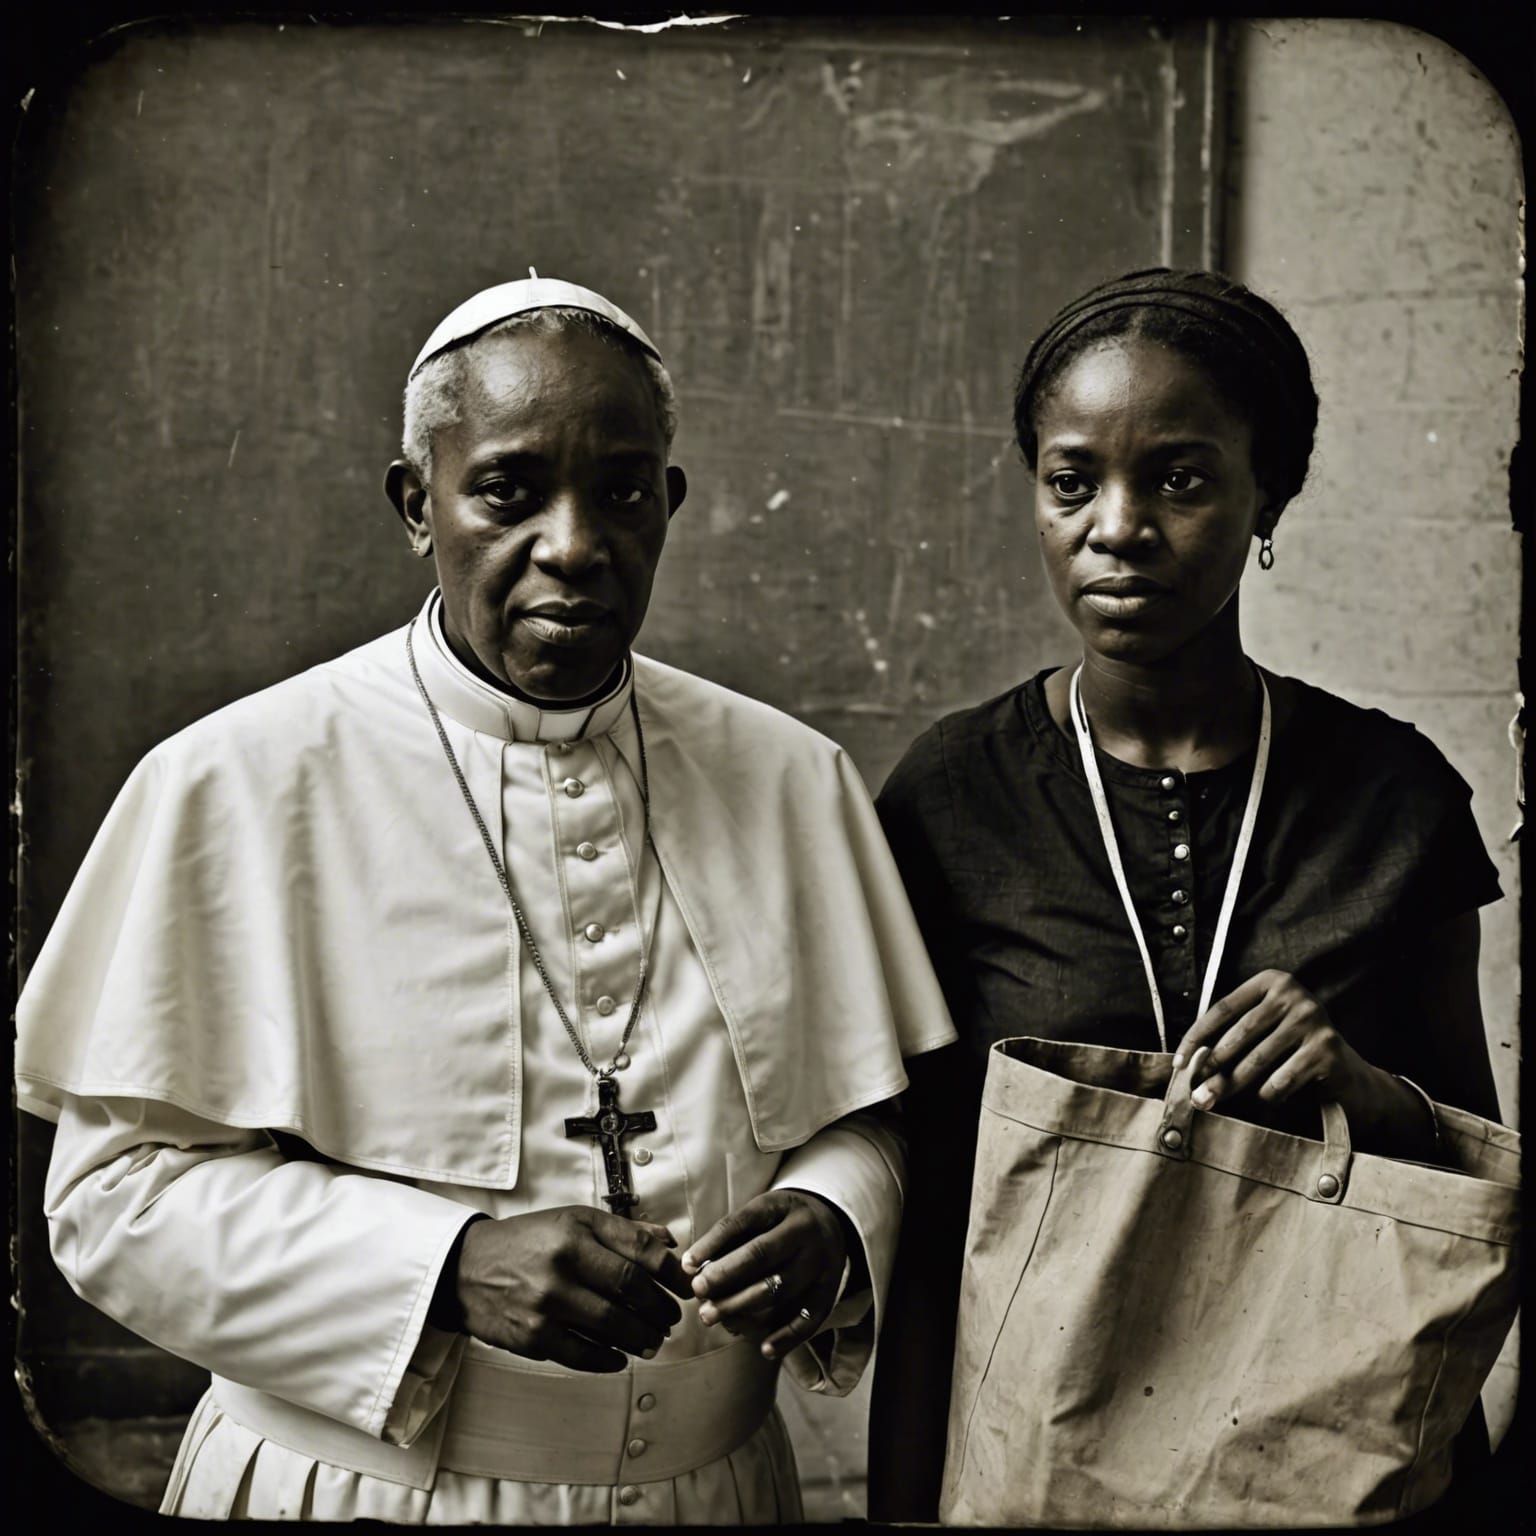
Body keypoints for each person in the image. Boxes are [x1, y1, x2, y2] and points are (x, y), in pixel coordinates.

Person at [17, 275, 956, 1523]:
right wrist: (444, 1267)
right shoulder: (235, 782)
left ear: (668, 505)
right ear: (419, 503)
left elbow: (875, 1114)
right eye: (509, 491)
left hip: (719, 1491)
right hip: (351, 1494)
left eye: (622, 491)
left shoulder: (789, 778)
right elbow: (113, 1204)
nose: (574, 545)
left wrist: (835, 1214)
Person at [867, 267, 1506, 1522]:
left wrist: (1363, 1088)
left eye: (1181, 478)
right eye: (1073, 482)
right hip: (1034, 1452)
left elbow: (1466, 1173)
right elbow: (921, 1183)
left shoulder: (1395, 798)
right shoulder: (955, 794)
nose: (1119, 526)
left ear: (1270, 491)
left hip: (1325, 1453)